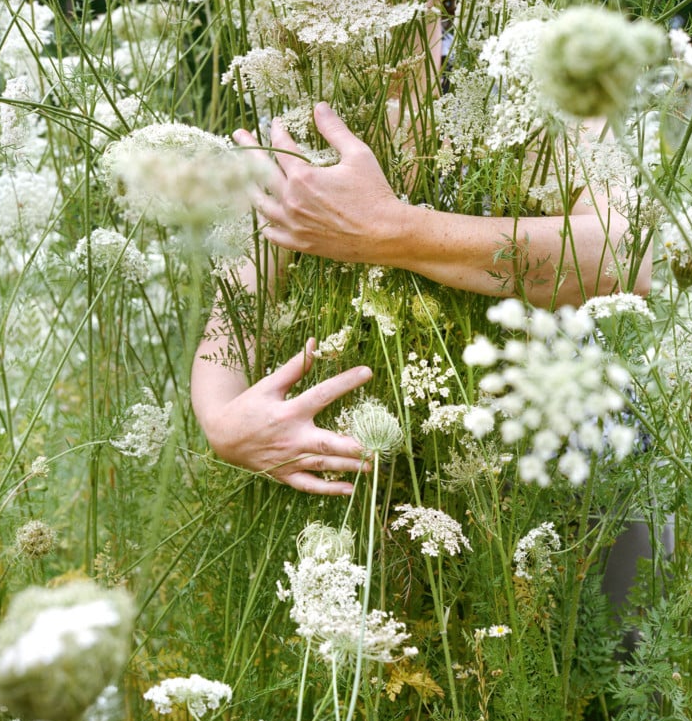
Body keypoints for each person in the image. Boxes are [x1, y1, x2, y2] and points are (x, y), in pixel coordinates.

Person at [190, 101, 651, 496]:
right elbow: (235, 310)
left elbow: (628, 257)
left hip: (567, 472)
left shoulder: (529, 75)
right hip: (374, 493)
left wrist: (389, 231)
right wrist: (223, 426)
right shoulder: (301, 102)